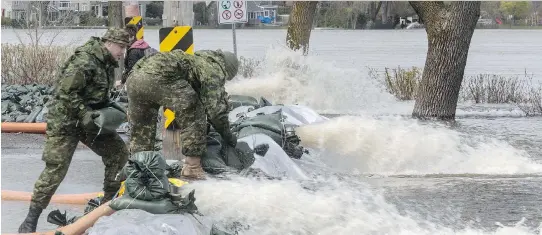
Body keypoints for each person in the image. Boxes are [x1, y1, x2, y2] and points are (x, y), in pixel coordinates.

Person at [18, 28, 131, 233]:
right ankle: (30, 220)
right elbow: (65, 93)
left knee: (118, 152)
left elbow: (97, 94)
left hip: (89, 122)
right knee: (56, 168)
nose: (122, 52)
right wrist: (84, 114)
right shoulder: (85, 60)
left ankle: (108, 205)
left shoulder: (106, 63)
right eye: (121, 47)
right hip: (66, 121)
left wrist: (110, 111)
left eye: (125, 48)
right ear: (109, 43)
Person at [125, 49, 239, 179]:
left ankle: (139, 170)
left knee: (142, 129)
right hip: (157, 78)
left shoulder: (198, 60)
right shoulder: (214, 69)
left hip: (134, 78)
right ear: (227, 69)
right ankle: (192, 167)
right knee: (194, 112)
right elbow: (216, 112)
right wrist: (228, 136)